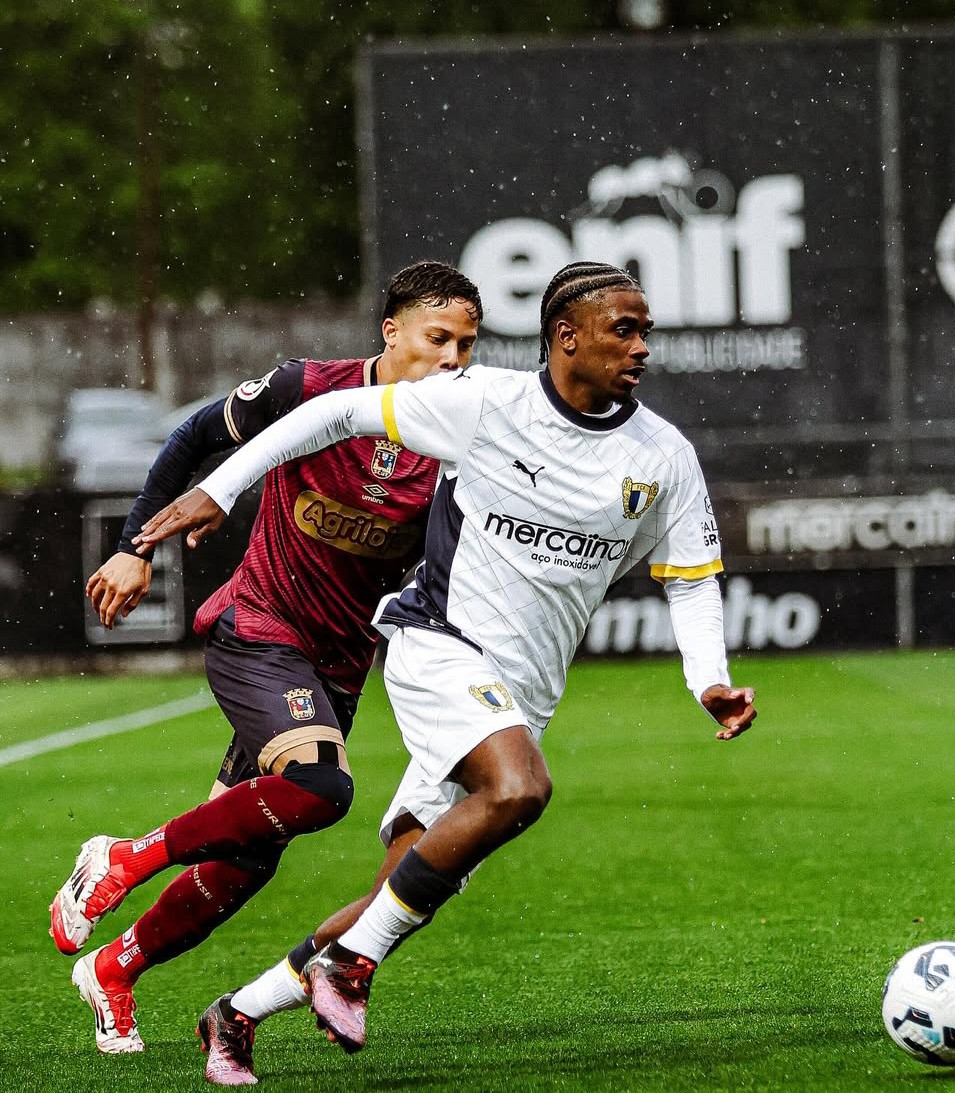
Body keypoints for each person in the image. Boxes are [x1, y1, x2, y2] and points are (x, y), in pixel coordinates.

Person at [135, 261, 757, 1080]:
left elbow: (692, 580)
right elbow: (334, 411)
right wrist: (221, 488)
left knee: (404, 888)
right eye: (625, 330)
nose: (642, 347)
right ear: (565, 336)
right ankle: (350, 969)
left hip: (523, 697)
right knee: (520, 789)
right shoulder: (484, 403)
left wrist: (704, 677)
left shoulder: (663, 456)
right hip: (440, 646)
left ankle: (238, 1011)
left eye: (646, 332)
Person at [50, 261, 483, 1057]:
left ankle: (115, 967)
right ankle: (122, 855)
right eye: (437, 338)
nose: (454, 359)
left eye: (467, 343)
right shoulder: (308, 388)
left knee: (247, 858)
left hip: (341, 662)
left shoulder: (465, 434)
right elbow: (193, 437)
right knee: (320, 786)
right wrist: (133, 550)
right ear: (391, 333)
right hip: (260, 627)